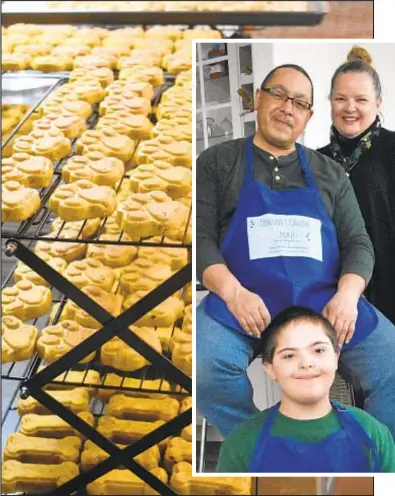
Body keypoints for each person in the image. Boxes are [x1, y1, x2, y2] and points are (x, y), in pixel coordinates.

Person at [196, 63, 395, 440]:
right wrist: (233, 293)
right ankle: (260, 446)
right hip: (243, 304)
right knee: (205, 367)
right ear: (258, 98)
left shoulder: (329, 173)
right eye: (279, 95)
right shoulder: (217, 162)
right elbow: (201, 240)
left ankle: (373, 454)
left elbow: (358, 243)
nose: (288, 108)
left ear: (308, 115)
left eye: (300, 102)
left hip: (324, 304)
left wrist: (348, 295)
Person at [216, 306, 395, 473]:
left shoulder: (372, 432)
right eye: (289, 355)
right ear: (270, 368)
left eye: (318, 350)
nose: (306, 363)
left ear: (336, 358)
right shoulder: (241, 443)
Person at [318, 46, 395, 325]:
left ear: (378, 103)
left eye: (361, 99)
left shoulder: (392, 149)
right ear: (330, 103)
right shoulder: (316, 161)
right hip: (336, 302)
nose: (350, 108)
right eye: (341, 99)